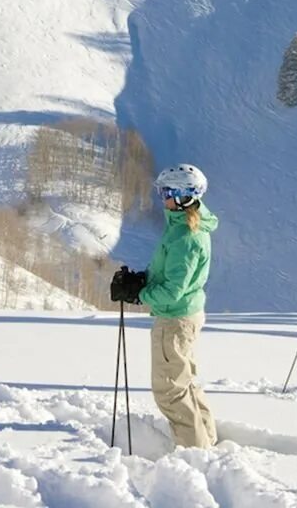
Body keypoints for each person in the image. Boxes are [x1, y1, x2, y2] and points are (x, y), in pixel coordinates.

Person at [111, 162, 219, 449]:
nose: (163, 198)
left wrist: (139, 295)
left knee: (170, 391)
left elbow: (172, 290)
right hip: (184, 316)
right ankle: (207, 443)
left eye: (167, 192)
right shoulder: (181, 228)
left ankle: (196, 452)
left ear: (185, 195)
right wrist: (141, 280)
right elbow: (170, 274)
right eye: (162, 191)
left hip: (175, 320)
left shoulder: (186, 236)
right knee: (186, 383)